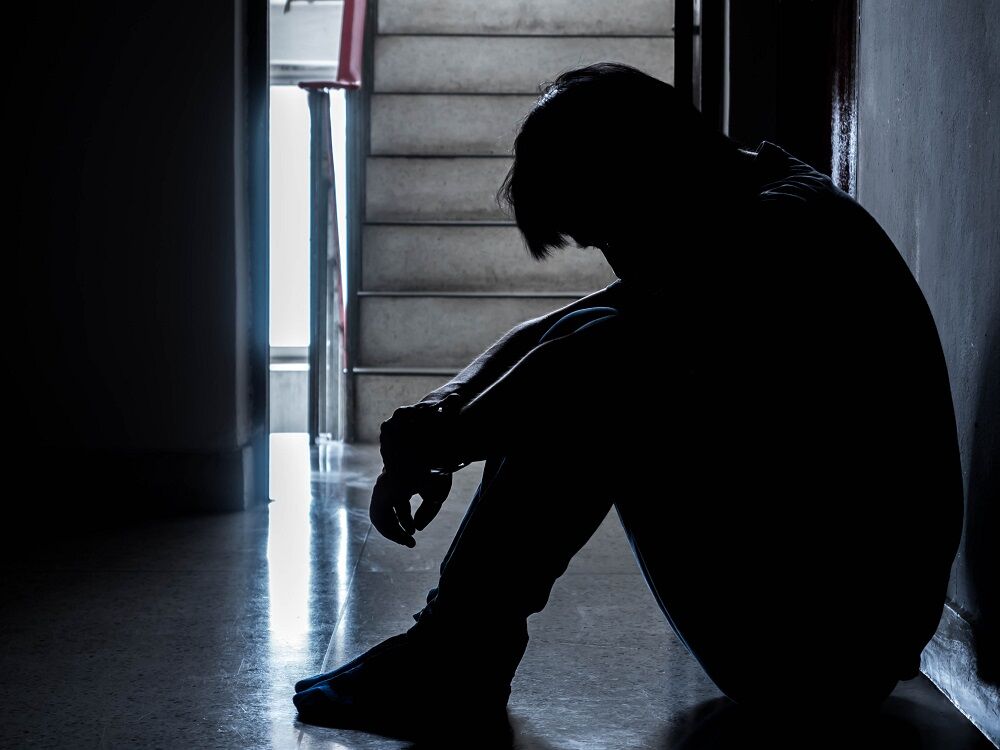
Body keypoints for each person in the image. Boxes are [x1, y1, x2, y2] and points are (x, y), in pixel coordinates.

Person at [292, 62, 964, 739]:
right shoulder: (749, 202)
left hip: (826, 653)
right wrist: (444, 408)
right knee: (591, 346)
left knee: (600, 365)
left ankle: (453, 655)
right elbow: (562, 323)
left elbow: (587, 352)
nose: (613, 259)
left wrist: (443, 446)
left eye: (607, 232)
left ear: (647, 172)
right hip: (809, 611)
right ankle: (456, 652)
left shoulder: (781, 234)